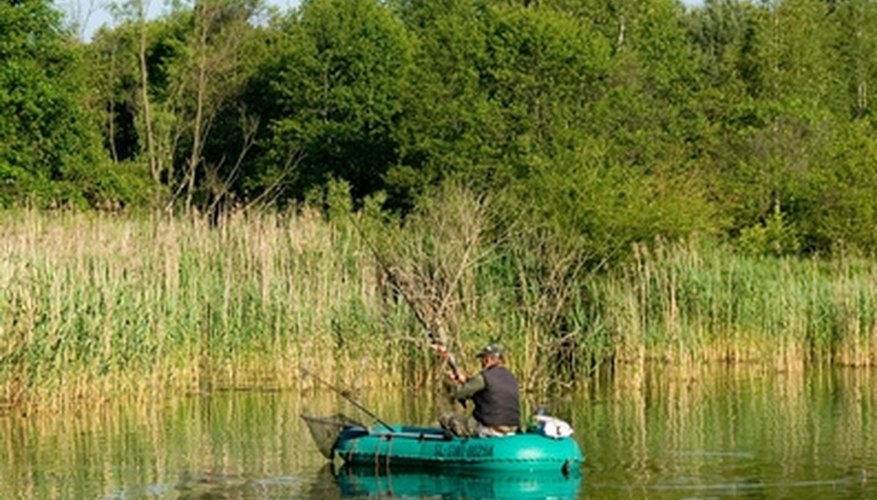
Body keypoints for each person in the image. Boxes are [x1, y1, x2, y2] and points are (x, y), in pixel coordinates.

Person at [439, 343, 521, 437]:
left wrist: (451, 384)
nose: (481, 362)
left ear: (487, 359)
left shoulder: (484, 377)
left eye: (482, 359)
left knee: (446, 418)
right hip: (513, 428)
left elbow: (458, 393)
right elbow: (488, 391)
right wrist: (466, 380)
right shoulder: (511, 377)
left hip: (490, 428)